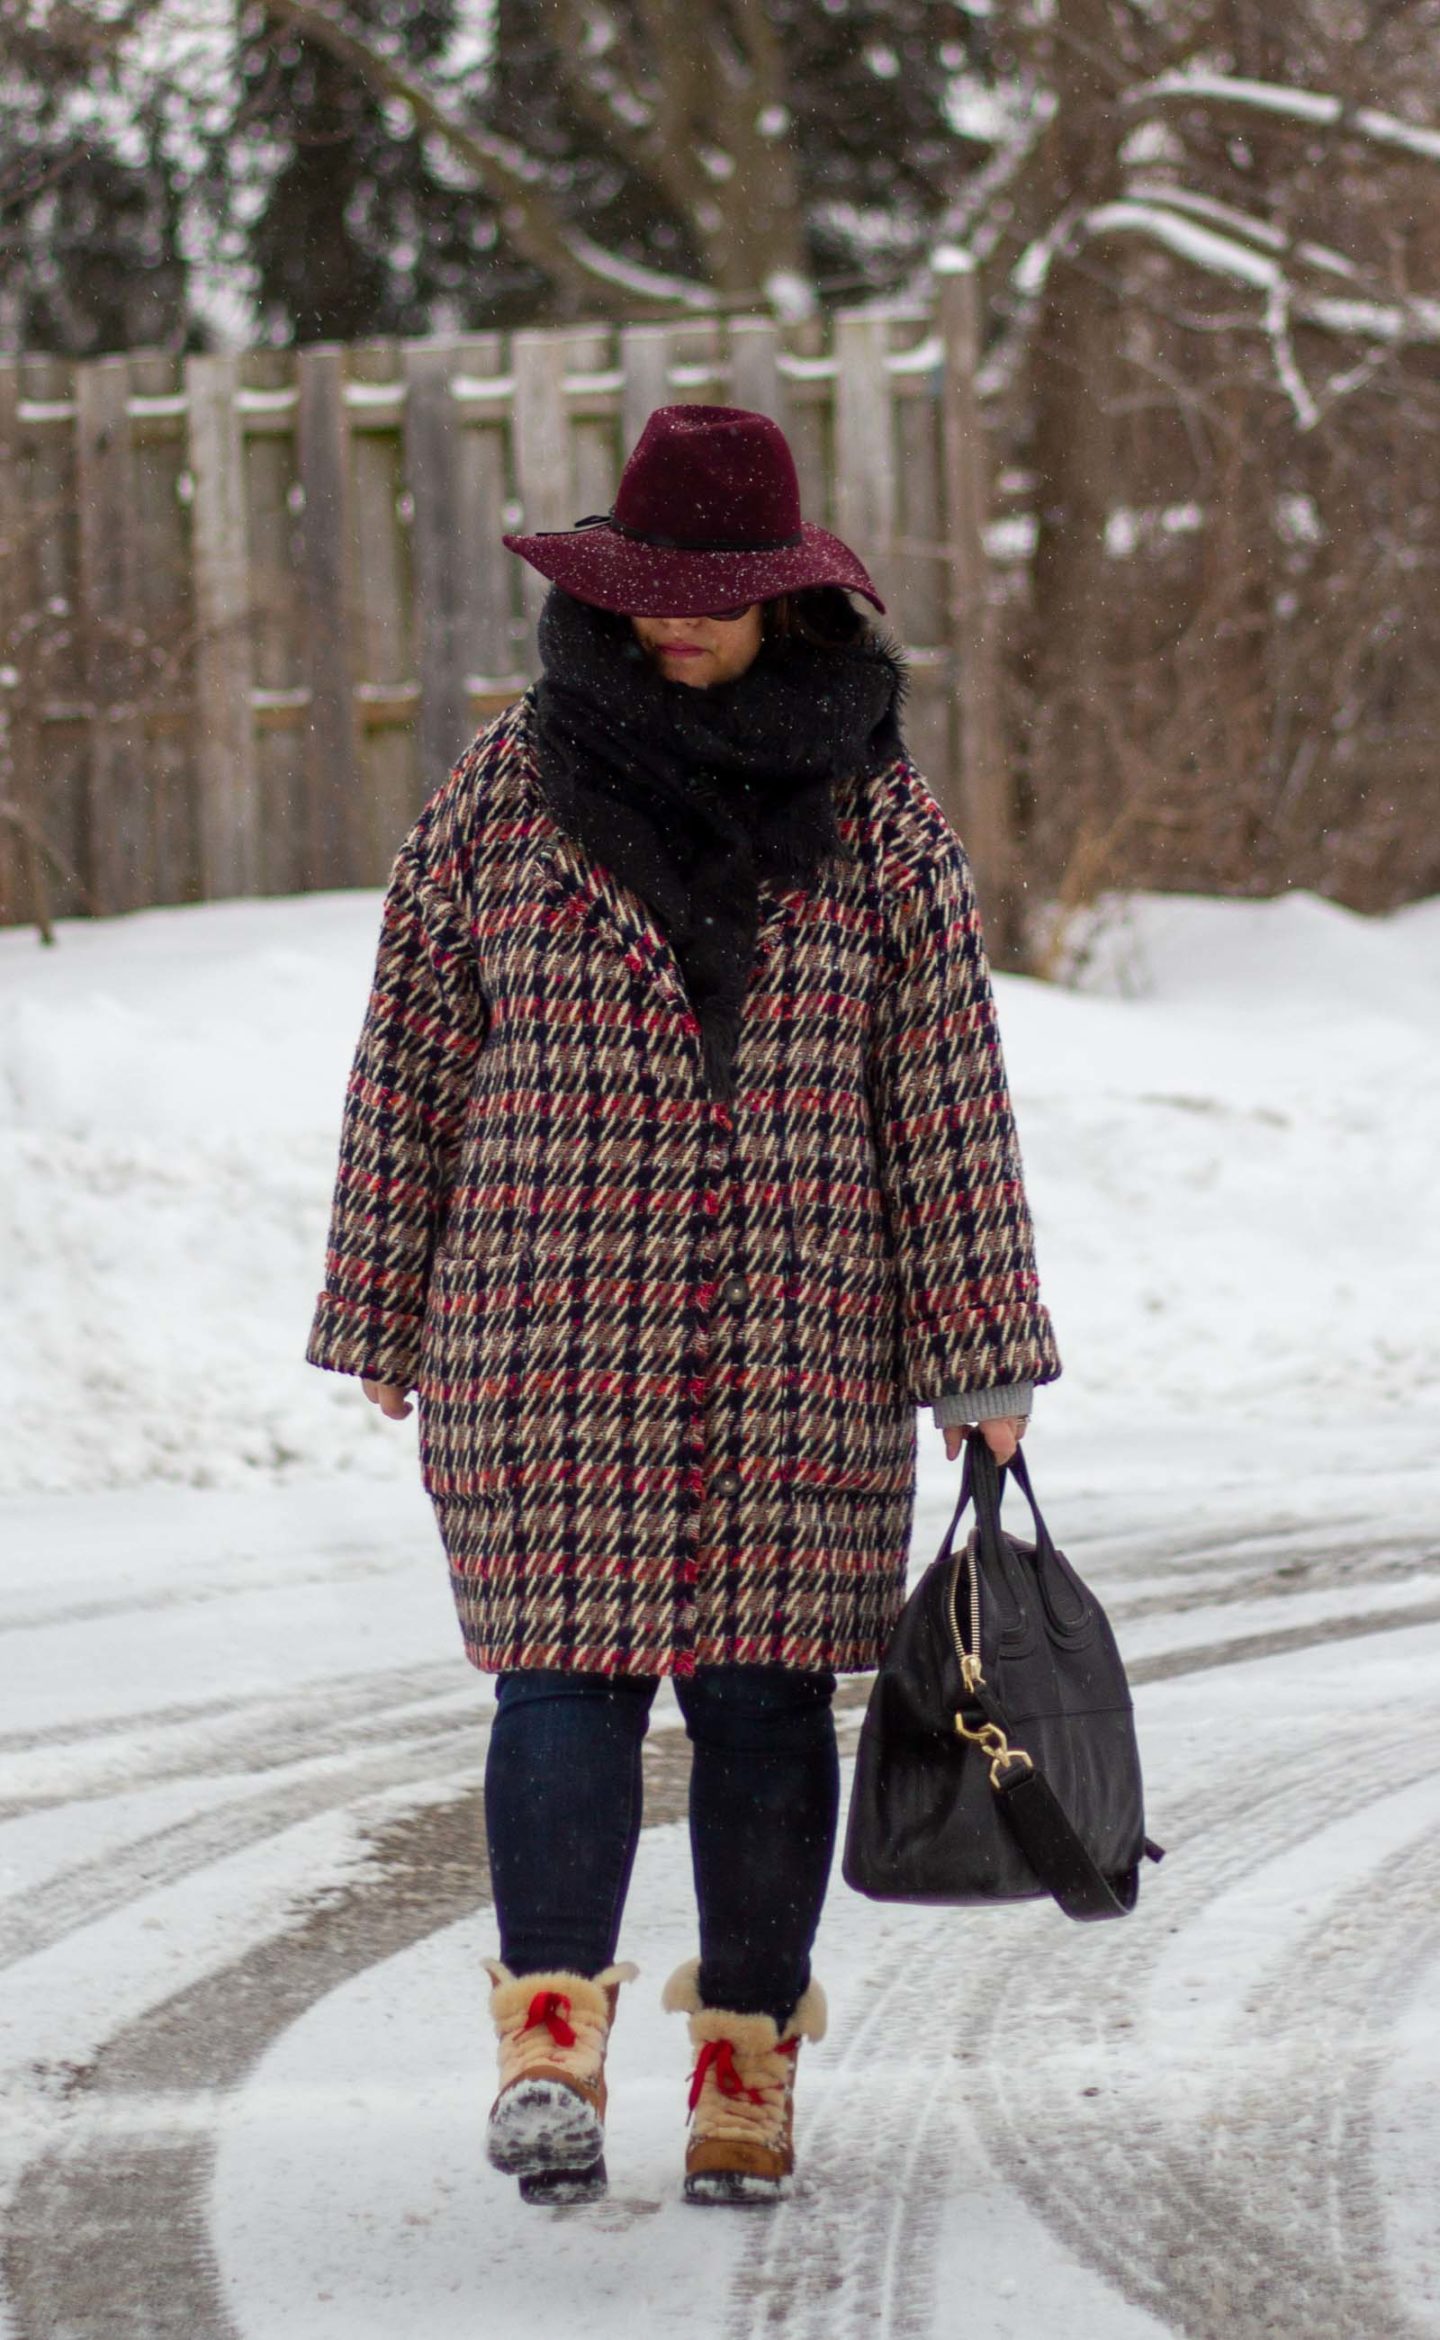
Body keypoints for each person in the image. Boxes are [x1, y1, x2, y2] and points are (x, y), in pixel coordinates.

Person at [305, 402, 1060, 2209]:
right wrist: (381, 1299)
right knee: (556, 1684)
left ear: (788, 597)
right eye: (655, 593)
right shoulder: (509, 790)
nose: (678, 627)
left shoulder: (877, 810)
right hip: (547, 1316)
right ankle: (548, 2051)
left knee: (763, 1700)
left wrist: (984, 1349)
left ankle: (745, 2064)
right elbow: (412, 1051)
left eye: (714, 596)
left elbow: (940, 1084)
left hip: (805, 1322)